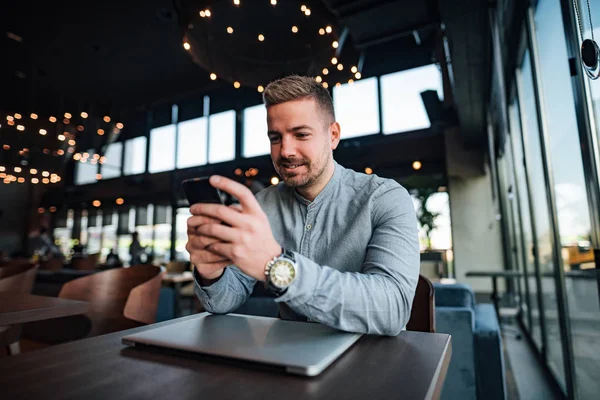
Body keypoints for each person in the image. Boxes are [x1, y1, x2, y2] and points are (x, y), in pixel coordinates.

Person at [186, 75, 419, 336]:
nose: (285, 151)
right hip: (288, 356)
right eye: (275, 138)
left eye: (301, 134)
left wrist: (278, 266)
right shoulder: (261, 205)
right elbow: (224, 299)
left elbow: (392, 309)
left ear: (333, 135)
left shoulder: (385, 197)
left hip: (369, 357)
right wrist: (211, 274)